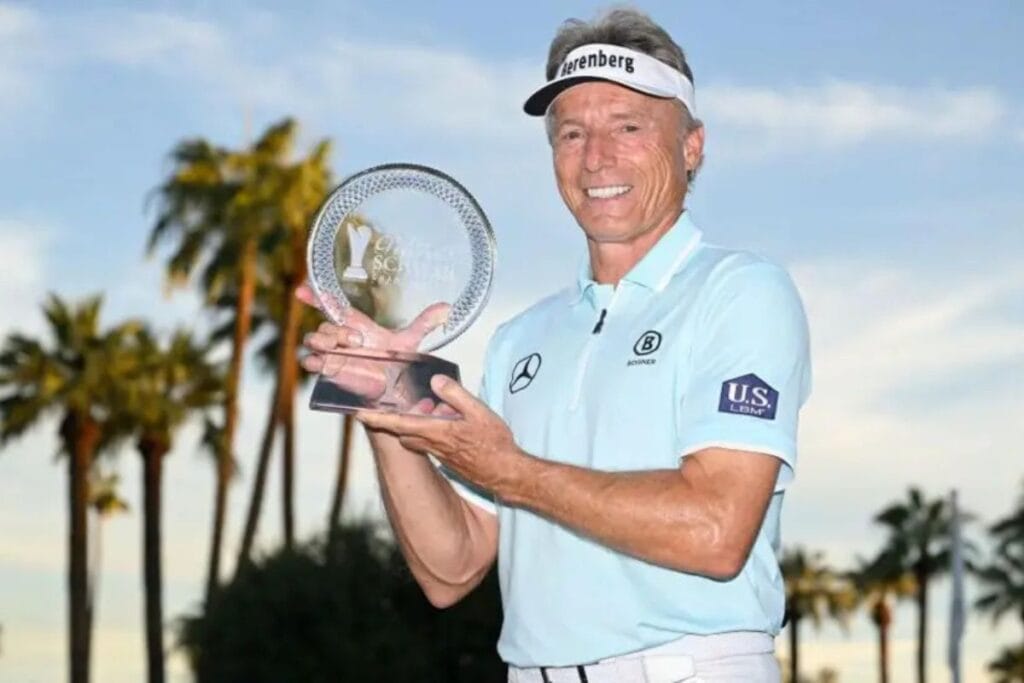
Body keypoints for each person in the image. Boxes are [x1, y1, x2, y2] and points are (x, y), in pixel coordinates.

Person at [299, 8, 810, 683]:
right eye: (572, 132)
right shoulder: (520, 339)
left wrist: (513, 471)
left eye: (628, 127)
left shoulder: (741, 291)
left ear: (691, 146)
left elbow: (716, 529)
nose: (596, 157)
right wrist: (387, 396)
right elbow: (452, 569)